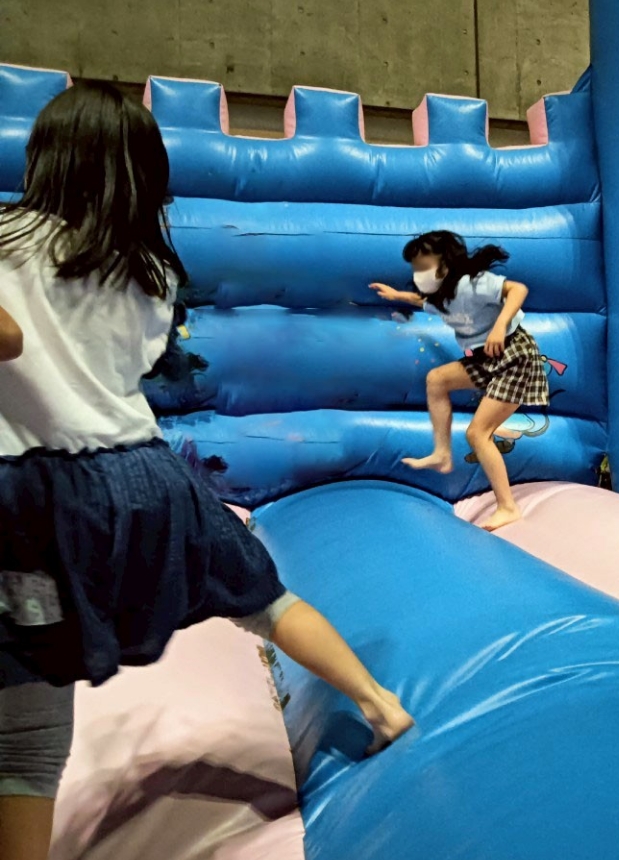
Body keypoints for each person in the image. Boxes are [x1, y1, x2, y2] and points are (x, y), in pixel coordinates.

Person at [0, 83, 412, 860]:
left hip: (38, 496)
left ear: (44, 159)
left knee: (24, 728)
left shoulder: (6, 239)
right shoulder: (150, 267)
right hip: (146, 478)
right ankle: (378, 701)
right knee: (262, 599)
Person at [370, 231, 549, 531]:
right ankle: (442, 454)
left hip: (514, 353)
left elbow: (517, 289)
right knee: (437, 379)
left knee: (478, 433)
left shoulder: (473, 284)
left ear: (445, 264)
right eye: (415, 269)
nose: (419, 274)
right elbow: (421, 300)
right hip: (485, 357)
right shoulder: (443, 297)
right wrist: (396, 295)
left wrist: (500, 325)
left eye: (423, 267)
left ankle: (508, 507)